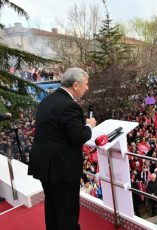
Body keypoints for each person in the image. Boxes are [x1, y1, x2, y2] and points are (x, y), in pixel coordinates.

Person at [28, 67, 96, 230]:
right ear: (75, 85)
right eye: (85, 84)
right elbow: (78, 137)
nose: (87, 88)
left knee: (52, 207)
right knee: (67, 211)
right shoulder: (69, 106)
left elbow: (56, 130)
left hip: (46, 166)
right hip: (62, 169)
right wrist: (88, 126)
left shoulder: (48, 100)